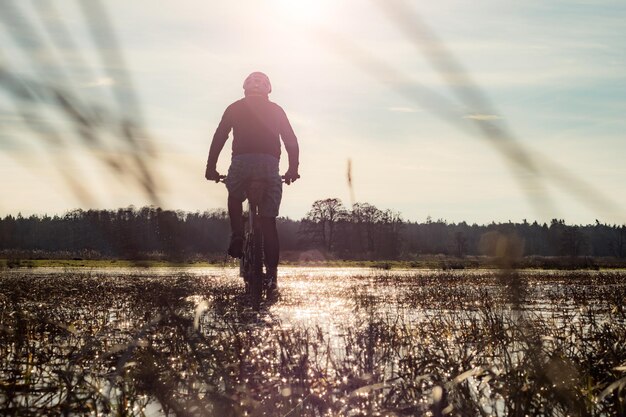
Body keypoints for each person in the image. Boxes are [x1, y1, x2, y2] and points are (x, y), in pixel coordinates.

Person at [205, 71, 300, 290]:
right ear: (268, 90)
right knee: (269, 223)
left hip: (241, 163)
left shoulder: (234, 107)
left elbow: (220, 136)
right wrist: (292, 169)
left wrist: (211, 168)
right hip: (269, 166)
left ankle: (238, 234)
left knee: (235, 195)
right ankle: (273, 276)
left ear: (245, 89)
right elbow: (291, 141)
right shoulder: (276, 110)